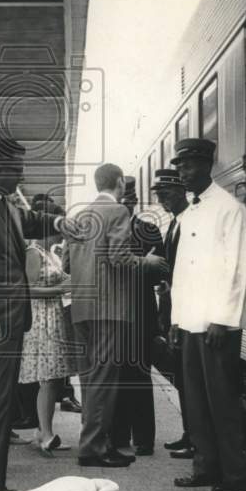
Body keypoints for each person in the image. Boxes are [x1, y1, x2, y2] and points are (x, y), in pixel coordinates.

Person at [0, 139, 76, 491]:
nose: (21, 175)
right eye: (16, 168)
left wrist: (60, 221)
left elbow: (29, 220)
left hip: (6, 319)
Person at [169, 138, 246, 491]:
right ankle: (205, 466)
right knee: (196, 401)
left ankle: (238, 475)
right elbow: (182, 274)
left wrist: (223, 318)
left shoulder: (230, 210)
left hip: (215, 324)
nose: (182, 173)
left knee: (221, 401)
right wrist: (176, 320)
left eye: (188, 166)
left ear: (207, 165)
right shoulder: (191, 212)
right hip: (191, 322)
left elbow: (239, 269)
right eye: (179, 167)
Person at [65, 163, 168, 469]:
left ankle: (93, 442)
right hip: (109, 309)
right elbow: (119, 258)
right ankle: (94, 449)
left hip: (81, 307)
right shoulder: (118, 213)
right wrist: (148, 262)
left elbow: (68, 265)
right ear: (120, 183)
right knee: (104, 380)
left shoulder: (79, 216)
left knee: (89, 379)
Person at [111, 177, 165, 456]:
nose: (127, 204)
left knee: (140, 377)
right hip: (115, 314)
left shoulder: (149, 230)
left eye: (130, 201)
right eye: (124, 200)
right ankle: (120, 437)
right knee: (118, 378)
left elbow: (161, 271)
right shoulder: (107, 230)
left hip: (142, 313)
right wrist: (143, 263)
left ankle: (144, 440)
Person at [19, 208, 75, 456]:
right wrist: (61, 290)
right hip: (41, 318)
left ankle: (43, 430)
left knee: (52, 378)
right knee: (49, 378)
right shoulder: (33, 253)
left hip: (51, 316)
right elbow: (27, 290)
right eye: (59, 232)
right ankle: (45, 433)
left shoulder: (48, 253)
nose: (61, 237)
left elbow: (63, 279)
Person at [150, 168, 195, 458]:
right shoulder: (175, 224)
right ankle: (189, 433)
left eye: (166, 194)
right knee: (183, 377)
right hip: (173, 310)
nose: (162, 200)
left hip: (188, 312)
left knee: (191, 380)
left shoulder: (190, 222)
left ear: (181, 191)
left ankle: (195, 437)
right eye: (159, 195)